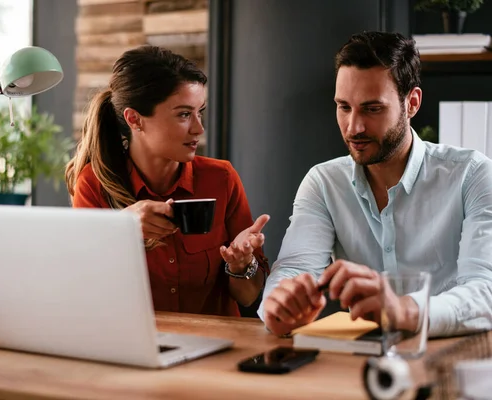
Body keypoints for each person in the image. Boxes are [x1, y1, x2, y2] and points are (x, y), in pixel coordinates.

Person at [259, 31, 492, 338]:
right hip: (360, 363)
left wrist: (404, 310)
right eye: (344, 107)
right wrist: (280, 306)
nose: (353, 127)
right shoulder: (324, 183)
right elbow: (292, 270)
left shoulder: (473, 174)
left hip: (452, 359)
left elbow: (485, 292)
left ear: (412, 103)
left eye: (372, 109)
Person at [65, 45, 269, 317]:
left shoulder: (221, 179)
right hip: (138, 349)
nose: (199, 128)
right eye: (184, 114)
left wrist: (242, 266)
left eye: (200, 112)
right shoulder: (94, 184)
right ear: (135, 119)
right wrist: (120, 230)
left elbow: (249, 296)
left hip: (215, 349)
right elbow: (84, 290)